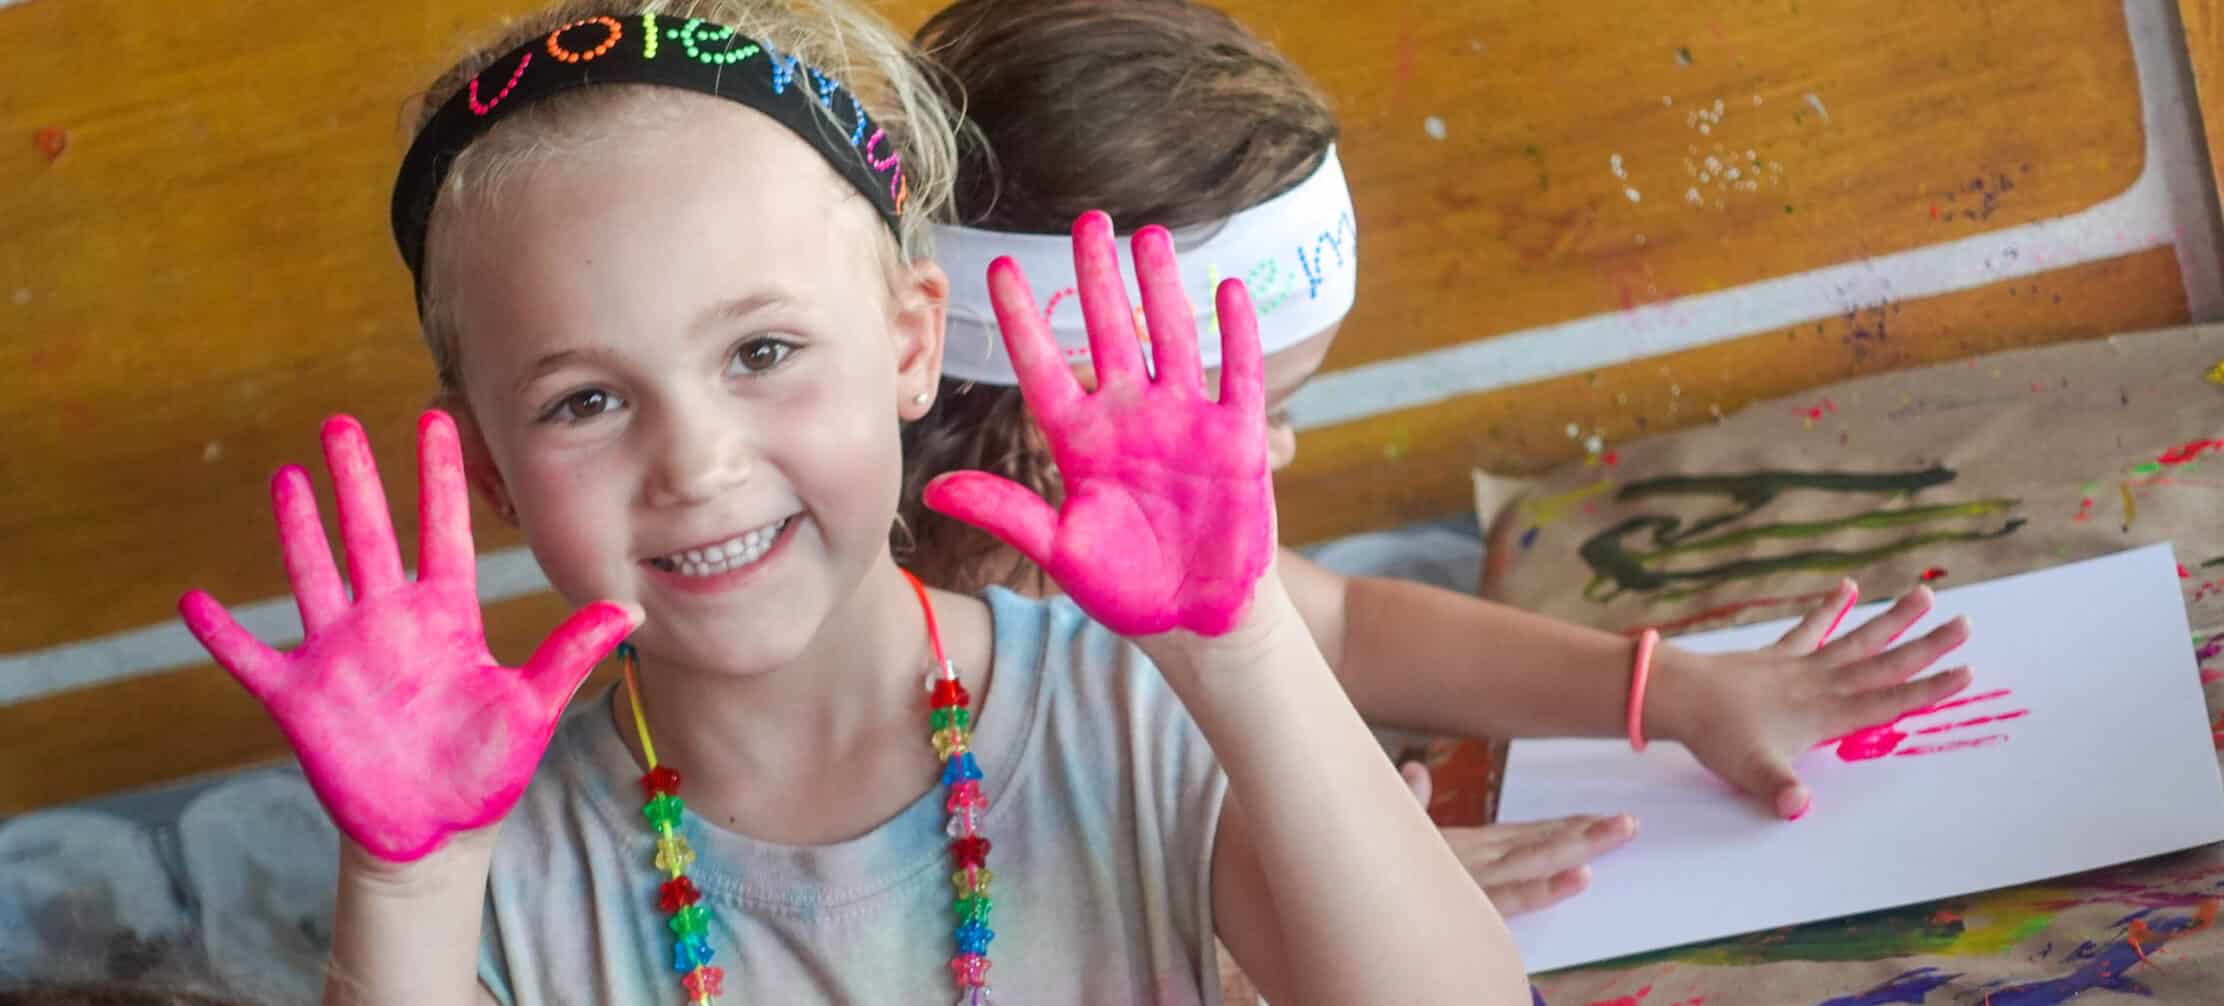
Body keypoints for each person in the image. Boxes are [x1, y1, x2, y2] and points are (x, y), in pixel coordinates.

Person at [171, 2, 1527, 1001]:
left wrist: (1243, 652)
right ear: (486, 474)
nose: (696, 462)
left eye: (761, 352)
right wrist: (406, 887)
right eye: (586, 399)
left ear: (908, 343)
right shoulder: (500, 874)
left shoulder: (1131, 712)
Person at [903, 0, 1978, 916]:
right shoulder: (884, 645)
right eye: (1262, 407)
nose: (1280, 446)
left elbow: (1347, 623)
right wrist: (1296, 908)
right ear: (1056, 415)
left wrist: (1677, 692)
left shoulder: (1167, 544)